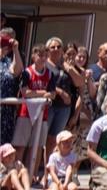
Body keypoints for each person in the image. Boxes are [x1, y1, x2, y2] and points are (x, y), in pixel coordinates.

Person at [14, 43, 53, 180]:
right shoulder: (27, 72)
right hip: (25, 113)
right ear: (33, 56)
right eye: (40, 55)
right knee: (20, 146)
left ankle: (32, 176)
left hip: (42, 115)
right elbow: (25, 92)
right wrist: (43, 92)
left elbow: (52, 94)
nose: (43, 58)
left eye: (45, 56)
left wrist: (41, 94)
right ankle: (18, 175)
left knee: (37, 146)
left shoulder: (49, 73)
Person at [0, 30, 22, 147]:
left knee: (4, 145)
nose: (5, 45)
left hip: (6, 110)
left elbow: (17, 71)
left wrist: (15, 50)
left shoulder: (9, 61)